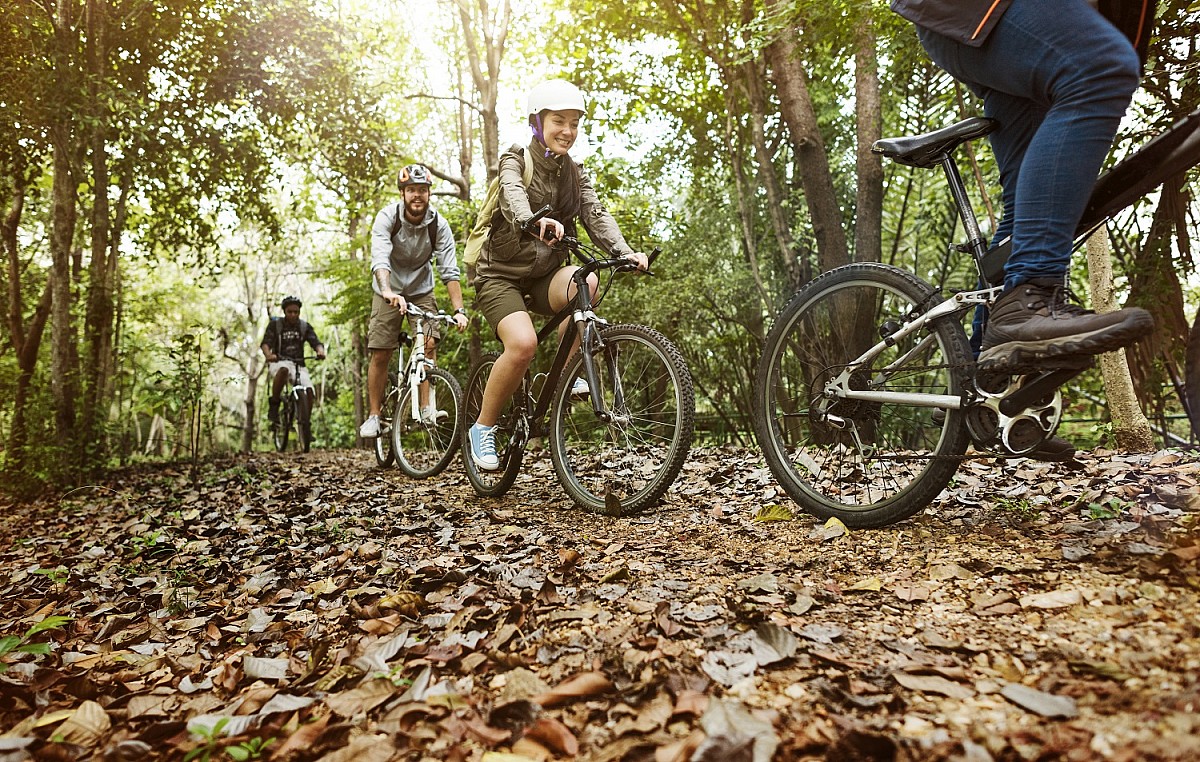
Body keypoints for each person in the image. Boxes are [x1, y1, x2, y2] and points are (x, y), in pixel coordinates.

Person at [890, 0, 1155, 373]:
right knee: (1101, 69)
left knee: (1025, 218)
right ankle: (1027, 296)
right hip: (983, 12)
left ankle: (984, 390)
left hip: (1018, 21)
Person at [467, 79, 648, 471]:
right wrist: (533, 220)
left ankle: (565, 377)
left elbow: (595, 215)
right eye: (558, 121)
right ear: (538, 123)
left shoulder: (574, 174)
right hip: (500, 275)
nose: (568, 130)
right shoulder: (516, 159)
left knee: (590, 281)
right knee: (522, 345)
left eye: (574, 123)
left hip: (544, 275)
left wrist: (624, 251)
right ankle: (483, 428)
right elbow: (512, 193)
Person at [359, 164, 468, 439]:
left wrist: (459, 310)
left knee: (429, 343)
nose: (417, 195)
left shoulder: (438, 225)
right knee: (381, 350)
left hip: (421, 289)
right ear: (402, 193)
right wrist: (387, 290)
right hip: (388, 288)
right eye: (411, 190)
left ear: (429, 193)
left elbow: (449, 270)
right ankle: (374, 415)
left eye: (422, 190)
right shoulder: (387, 217)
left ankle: (426, 407)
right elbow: (380, 258)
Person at [261, 295, 327, 425]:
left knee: (308, 390)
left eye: (296, 312)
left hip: (299, 364)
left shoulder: (303, 326)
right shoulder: (276, 325)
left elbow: (316, 342)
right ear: (284, 312)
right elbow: (265, 343)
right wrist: (269, 355)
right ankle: (274, 404)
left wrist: (320, 351)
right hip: (279, 361)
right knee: (284, 370)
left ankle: (305, 425)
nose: (293, 315)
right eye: (289, 312)